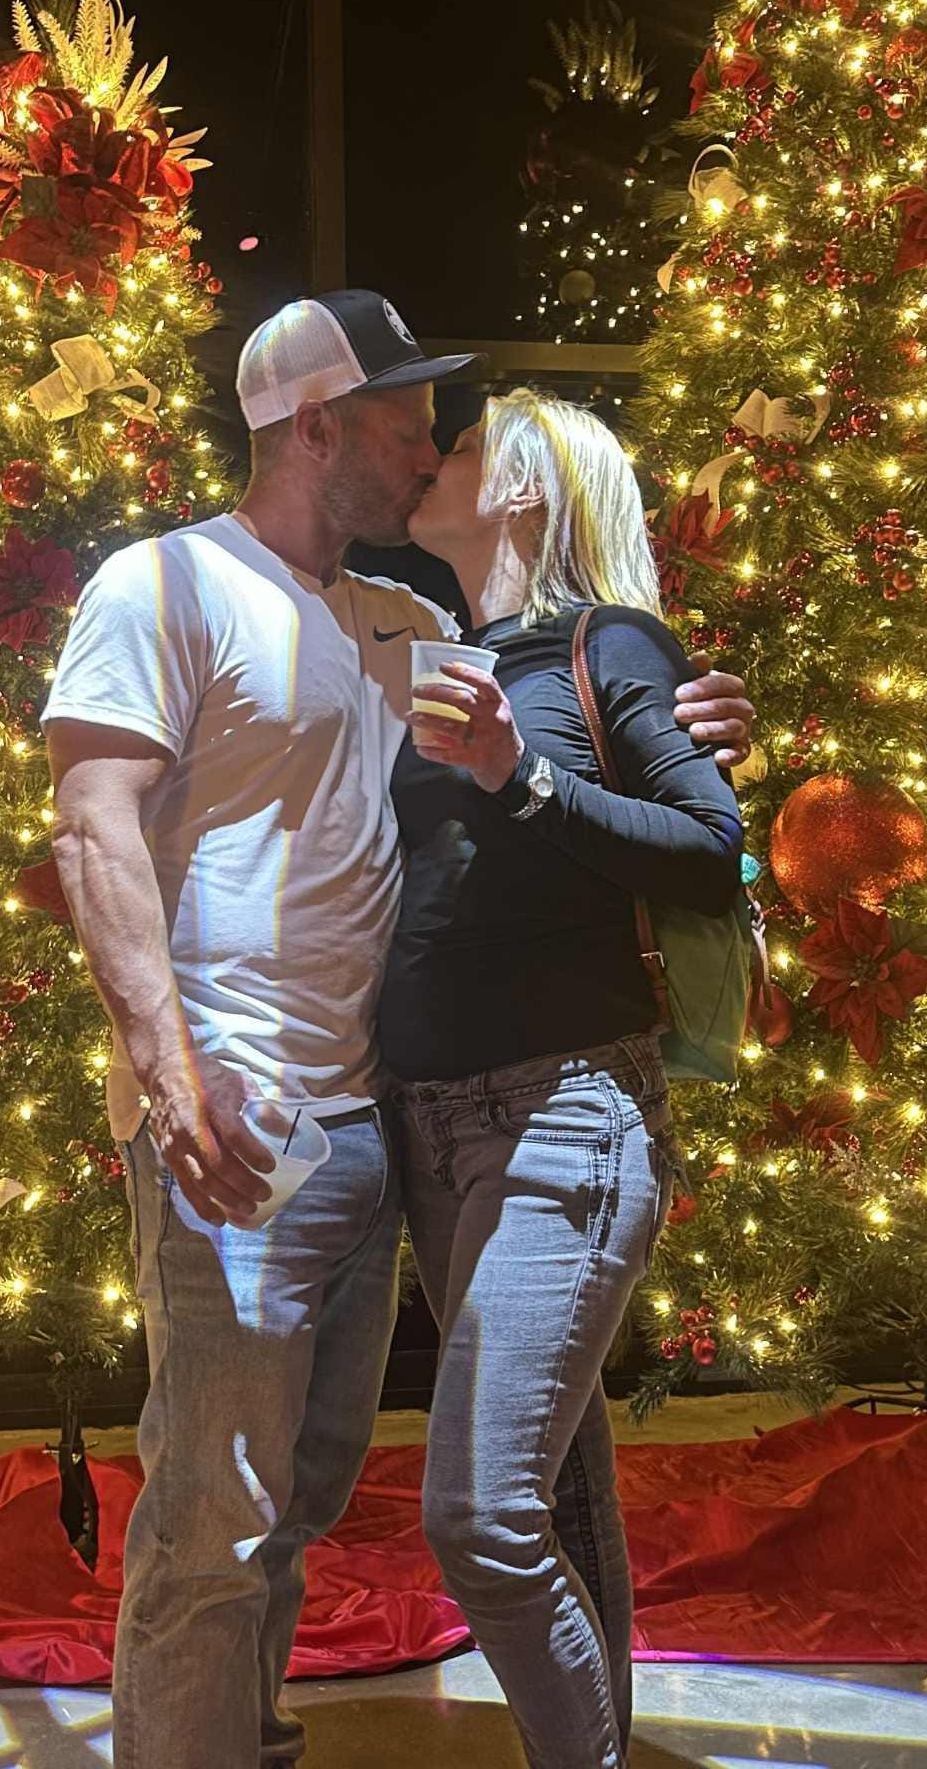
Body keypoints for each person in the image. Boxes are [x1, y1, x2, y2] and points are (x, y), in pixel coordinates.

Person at [41, 291, 752, 1769]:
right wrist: (169, 1077)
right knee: (214, 1517)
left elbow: (579, 741)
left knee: (295, 1502)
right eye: (408, 420)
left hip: (379, 1130)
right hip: (236, 1126)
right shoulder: (163, 582)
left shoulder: (412, 626)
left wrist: (688, 718)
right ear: (316, 427)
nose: (431, 447)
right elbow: (92, 830)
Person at [380, 389, 741, 1769]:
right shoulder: (442, 648)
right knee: (562, 1501)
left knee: (480, 1515)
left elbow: (708, 846)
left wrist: (518, 772)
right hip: (433, 1125)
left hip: (565, 1112)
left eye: (466, 444)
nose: (435, 457)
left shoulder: (610, 644)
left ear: (526, 489)